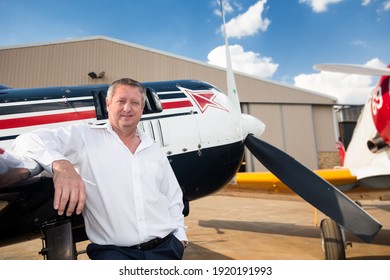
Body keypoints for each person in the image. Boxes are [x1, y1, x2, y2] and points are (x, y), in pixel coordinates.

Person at [11, 78, 188, 260]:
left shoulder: (154, 149)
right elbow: (26, 140)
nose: (127, 108)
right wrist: (60, 164)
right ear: (108, 104)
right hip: (114, 254)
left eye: (135, 103)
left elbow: (173, 197)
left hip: (166, 250)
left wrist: (180, 239)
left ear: (141, 108)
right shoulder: (85, 138)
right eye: (121, 101)